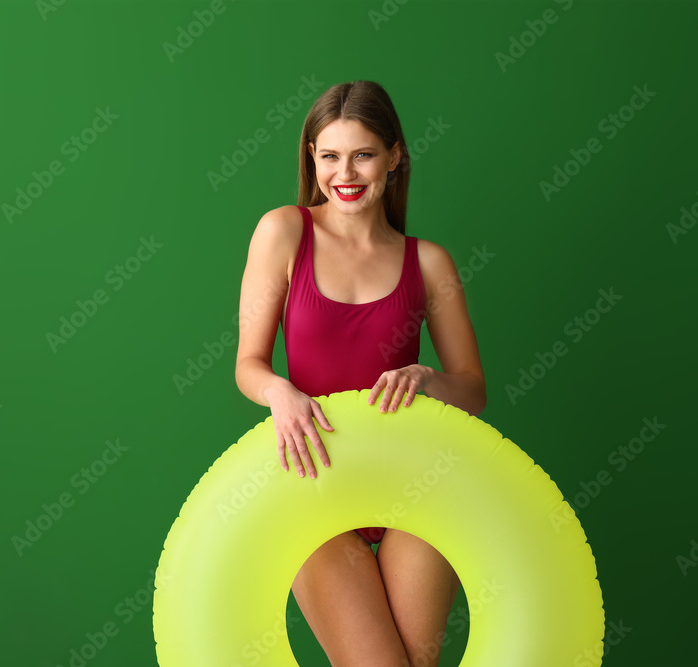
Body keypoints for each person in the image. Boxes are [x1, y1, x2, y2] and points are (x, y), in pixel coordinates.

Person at [235, 80, 486, 667]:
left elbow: (472, 391)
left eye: (363, 154)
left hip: (413, 490)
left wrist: (425, 379)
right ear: (312, 159)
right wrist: (281, 393)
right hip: (315, 487)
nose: (344, 172)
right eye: (329, 156)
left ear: (395, 157)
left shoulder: (428, 261)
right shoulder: (284, 232)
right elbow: (249, 365)